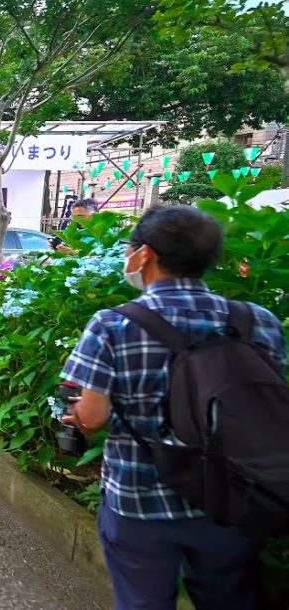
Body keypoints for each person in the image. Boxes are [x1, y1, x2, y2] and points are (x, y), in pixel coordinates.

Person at [60, 205, 286, 609]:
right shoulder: (257, 321)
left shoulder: (113, 323)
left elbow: (92, 418)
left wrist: (76, 418)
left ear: (144, 255)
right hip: (233, 497)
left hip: (139, 499)